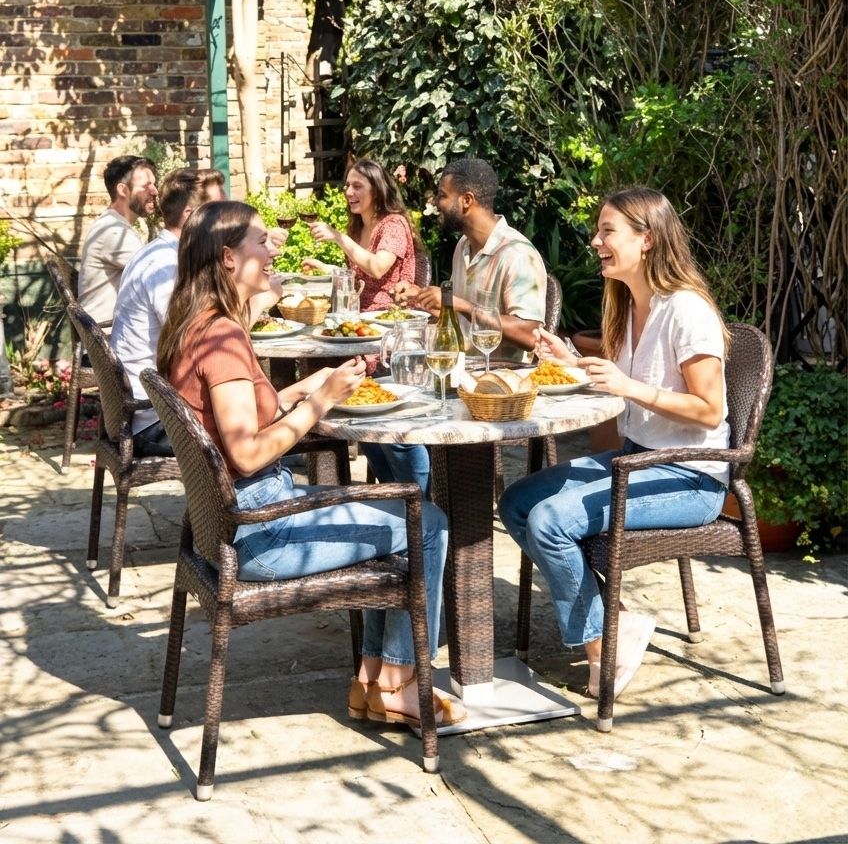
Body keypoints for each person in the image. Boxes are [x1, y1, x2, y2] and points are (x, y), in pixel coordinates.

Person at [156, 200, 465, 727]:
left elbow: (255, 410)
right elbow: (246, 451)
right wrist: (320, 407)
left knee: (396, 517)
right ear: (229, 259)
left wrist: (310, 388)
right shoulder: (223, 337)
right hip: (261, 531)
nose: (272, 248)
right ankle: (400, 682)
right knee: (426, 523)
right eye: (260, 241)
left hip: (236, 520)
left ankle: (374, 680)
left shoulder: (196, 324)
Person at [498, 187, 730, 700]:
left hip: (690, 475)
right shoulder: (629, 306)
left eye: (608, 231)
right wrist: (571, 362)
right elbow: (625, 378)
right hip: (637, 458)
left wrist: (629, 388)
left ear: (646, 239)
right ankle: (616, 619)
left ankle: (604, 646)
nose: (595, 241)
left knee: (550, 520)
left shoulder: (687, 311)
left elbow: (709, 409)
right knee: (517, 502)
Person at [110, 167, 226, 458]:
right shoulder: (167, 267)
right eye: (217, 210)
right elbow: (196, 344)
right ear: (190, 215)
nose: (225, 220)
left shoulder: (158, 252)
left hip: (148, 409)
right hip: (154, 421)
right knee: (249, 427)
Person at [394, 157, 547, 362]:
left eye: (442, 195)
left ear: (467, 200)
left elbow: (530, 335)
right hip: (461, 371)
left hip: (502, 382)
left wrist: (462, 305)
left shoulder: (517, 255)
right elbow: (466, 324)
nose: (436, 203)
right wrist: (423, 296)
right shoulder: (464, 246)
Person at [302, 159, 418, 312]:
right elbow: (358, 278)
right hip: (356, 314)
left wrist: (338, 237)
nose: (349, 192)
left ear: (376, 191)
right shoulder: (358, 228)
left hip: (388, 317)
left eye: (357, 186)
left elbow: (377, 268)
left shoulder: (394, 224)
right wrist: (325, 269)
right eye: (348, 185)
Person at [78, 156, 158, 325]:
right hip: (107, 339)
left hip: (111, 332)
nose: (154, 191)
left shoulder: (114, 224)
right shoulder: (114, 231)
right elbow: (158, 274)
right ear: (123, 190)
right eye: (145, 186)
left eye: (153, 184)